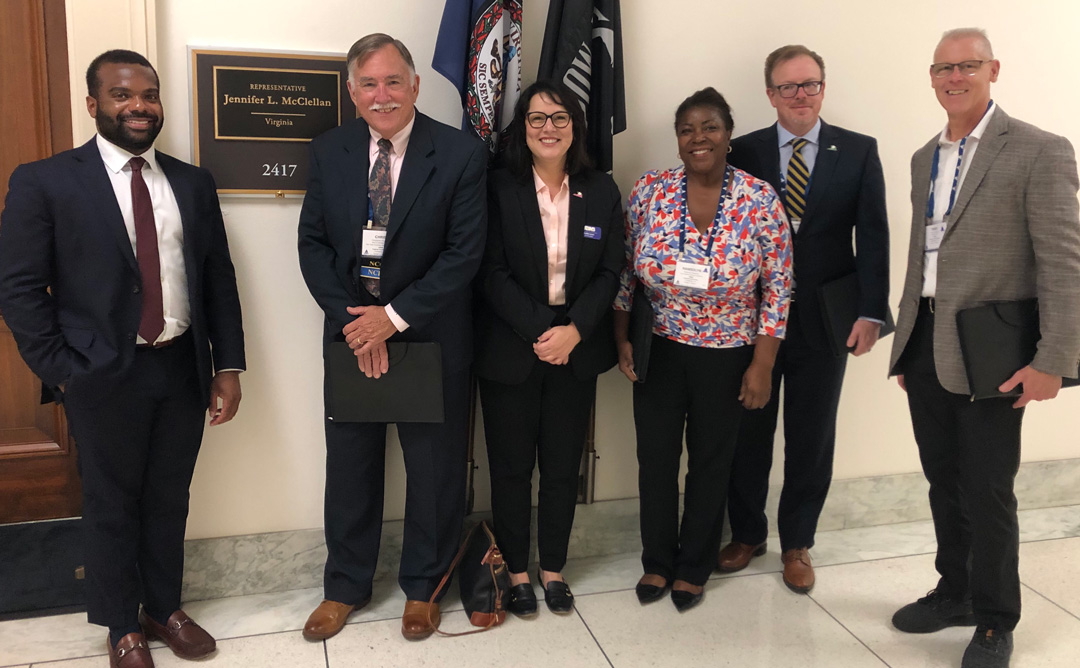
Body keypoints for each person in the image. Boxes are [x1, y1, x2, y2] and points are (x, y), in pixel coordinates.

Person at [0, 50, 245, 668]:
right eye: (121, 95)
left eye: (149, 95)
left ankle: (163, 608)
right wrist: (61, 370)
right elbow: (19, 288)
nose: (139, 106)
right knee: (111, 502)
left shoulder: (192, 182)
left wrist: (228, 365)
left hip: (180, 366)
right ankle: (120, 625)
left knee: (170, 496)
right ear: (94, 105)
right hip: (100, 372)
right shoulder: (46, 180)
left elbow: (218, 279)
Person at [888, 28, 1080, 668]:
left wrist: (1055, 359)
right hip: (927, 343)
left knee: (989, 489)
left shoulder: (1039, 151)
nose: (953, 77)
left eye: (966, 66)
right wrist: (908, 342)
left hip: (993, 350)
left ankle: (997, 620)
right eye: (941, 67)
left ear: (993, 69)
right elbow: (923, 257)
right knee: (943, 481)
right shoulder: (923, 158)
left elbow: (1063, 264)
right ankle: (956, 591)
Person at [296, 33, 486, 641]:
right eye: (369, 84)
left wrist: (393, 318)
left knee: (433, 472)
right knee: (350, 467)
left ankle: (425, 588)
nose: (383, 95)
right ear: (352, 93)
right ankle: (345, 586)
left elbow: (464, 255)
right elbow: (314, 245)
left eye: (393, 81)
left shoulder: (459, 153)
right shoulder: (329, 151)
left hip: (431, 336)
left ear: (415, 85)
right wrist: (359, 323)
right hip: (351, 335)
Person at [613, 87, 792, 612]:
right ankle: (657, 561)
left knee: (712, 462)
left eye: (710, 126)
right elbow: (626, 271)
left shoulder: (759, 200)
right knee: (656, 460)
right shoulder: (650, 192)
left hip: (729, 351)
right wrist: (621, 337)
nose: (699, 137)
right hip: (660, 347)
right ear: (677, 140)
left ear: (729, 135)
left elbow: (778, 288)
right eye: (688, 129)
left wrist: (762, 364)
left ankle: (693, 566)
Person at [718, 44, 889, 593]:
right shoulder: (743, 151)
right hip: (752, 322)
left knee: (811, 437)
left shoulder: (859, 151)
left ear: (823, 87)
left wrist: (871, 311)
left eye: (810, 84)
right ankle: (747, 533)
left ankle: (798, 543)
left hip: (826, 319)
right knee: (750, 431)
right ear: (770, 94)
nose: (800, 95)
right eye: (788, 86)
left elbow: (876, 237)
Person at [474, 80, 624, 616]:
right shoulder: (496, 188)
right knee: (511, 468)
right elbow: (487, 272)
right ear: (523, 129)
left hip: (575, 352)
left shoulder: (601, 189)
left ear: (576, 128)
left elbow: (611, 270)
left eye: (560, 118)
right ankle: (516, 572)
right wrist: (544, 331)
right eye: (537, 119)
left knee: (563, 468)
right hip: (512, 351)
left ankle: (553, 568)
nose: (549, 128)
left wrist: (576, 330)